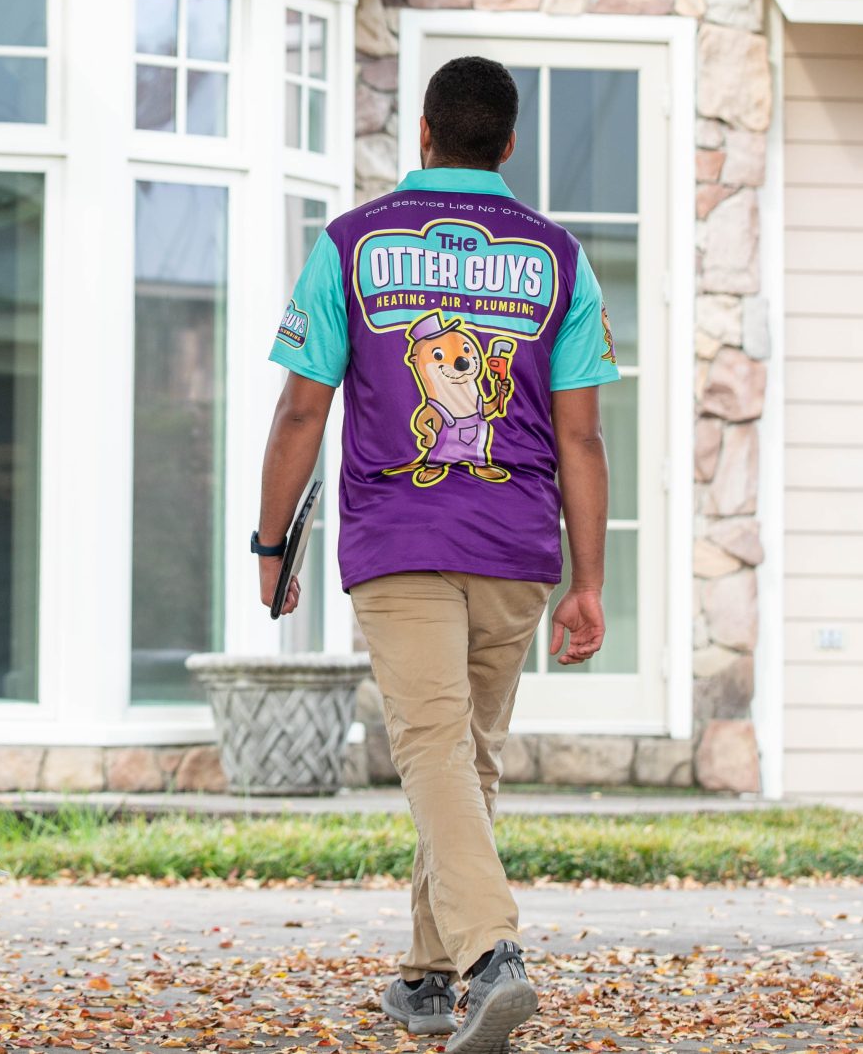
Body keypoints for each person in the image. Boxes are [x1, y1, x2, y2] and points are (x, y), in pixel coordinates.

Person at [256, 55, 618, 1054]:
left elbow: (300, 411)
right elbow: (582, 437)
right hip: (516, 544)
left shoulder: (351, 243)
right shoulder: (558, 259)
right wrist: (588, 581)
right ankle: (425, 976)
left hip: (399, 538)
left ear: (423, 132)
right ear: (508, 144)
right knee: (465, 756)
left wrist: (270, 542)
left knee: (432, 747)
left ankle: (492, 957)